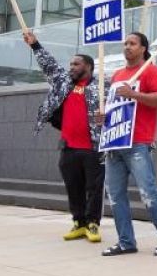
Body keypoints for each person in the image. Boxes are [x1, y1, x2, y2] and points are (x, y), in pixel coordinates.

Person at [23, 31, 106, 244]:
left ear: (88, 67)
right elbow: (49, 66)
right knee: (73, 187)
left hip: (93, 148)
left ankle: (93, 223)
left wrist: (107, 117)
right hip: (69, 147)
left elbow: (118, 111)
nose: (71, 68)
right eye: (70, 64)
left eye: (76, 64)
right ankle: (79, 223)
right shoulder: (64, 83)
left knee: (94, 189)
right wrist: (35, 45)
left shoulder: (102, 87)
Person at [103, 32, 157, 257]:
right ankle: (126, 241)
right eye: (125, 43)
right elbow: (115, 108)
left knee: (148, 192)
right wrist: (102, 117)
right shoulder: (117, 75)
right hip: (115, 143)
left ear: (143, 48)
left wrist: (133, 94)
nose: (127, 46)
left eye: (132, 43)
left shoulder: (151, 71)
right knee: (115, 196)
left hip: (138, 142)